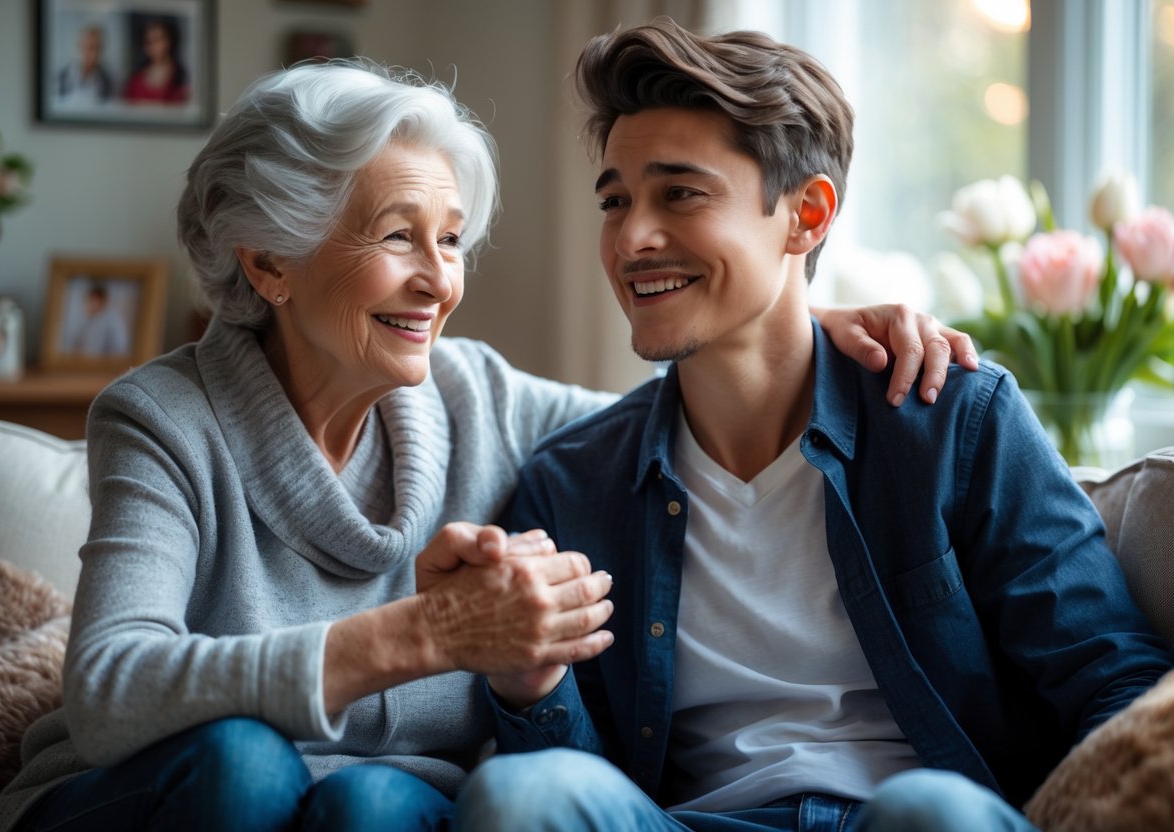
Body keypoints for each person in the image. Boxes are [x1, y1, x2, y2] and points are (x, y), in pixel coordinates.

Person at [0, 58, 968, 832]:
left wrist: (797, 313)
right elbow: (111, 691)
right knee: (245, 761)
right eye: (396, 237)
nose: (435, 281)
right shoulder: (164, 415)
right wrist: (422, 637)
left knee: (371, 800)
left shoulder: (481, 398)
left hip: (381, 805)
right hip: (162, 794)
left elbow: (687, 406)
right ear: (269, 261)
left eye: (450, 240)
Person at [457, 18, 1174, 832]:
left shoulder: (952, 421)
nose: (631, 238)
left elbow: (1112, 679)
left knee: (928, 810)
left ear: (806, 215)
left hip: (916, 820)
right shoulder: (570, 481)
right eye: (614, 200)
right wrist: (528, 682)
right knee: (523, 796)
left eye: (678, 193)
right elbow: (579, 782)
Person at [122, 17, 189, 104]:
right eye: (149, 41)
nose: (154, 46)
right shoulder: (135, 81)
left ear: (169, 41)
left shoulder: (182, 77)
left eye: (159, 39)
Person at [64, 282, 131, 357]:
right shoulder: (83, 318)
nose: (90, 304)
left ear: (102, 301)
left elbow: (119, 348)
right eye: (89, 300)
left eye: (93, 301)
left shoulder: (113, 321)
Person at [56, 24, 114, 105]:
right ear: (79, 46)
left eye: (98, 48)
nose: (95, 54)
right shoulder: (62, 76)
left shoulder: (107, 81)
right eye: (90, 47)